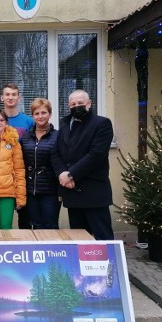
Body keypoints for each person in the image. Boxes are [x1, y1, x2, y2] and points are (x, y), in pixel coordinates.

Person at [51, 89, 114, 240]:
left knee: (102, 236)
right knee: (79, 238)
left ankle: (108, 264)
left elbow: (96, 154)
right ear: (68, 106)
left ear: (89, 103)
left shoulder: (102, 123)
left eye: (80, 103)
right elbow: (55, 153)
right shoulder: (65, 125)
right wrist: (62, 175)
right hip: (72, 191)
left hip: (94, 192)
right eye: (73, 104)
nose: (76, 106)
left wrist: (71, 174)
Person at [20, 98, 61, 229]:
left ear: (50, 114)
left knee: (50, 225)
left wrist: (61, 191)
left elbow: (63, 164)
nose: (40, 116)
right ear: (32, 116)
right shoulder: (25, 137)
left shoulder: (58, 136)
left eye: (44, 113)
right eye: (36, 113)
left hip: (51, 191)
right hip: (30, 190)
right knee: (35, 226)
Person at [0, 83, 34, 229]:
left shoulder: (29, 121)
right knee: (1, 218)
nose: (10, 97)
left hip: (23, 172)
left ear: (19, 98)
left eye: (14, 94)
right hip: (2, 173)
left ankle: (23, 246)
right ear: (2, 97)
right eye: (7, 94)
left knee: (24, 214)